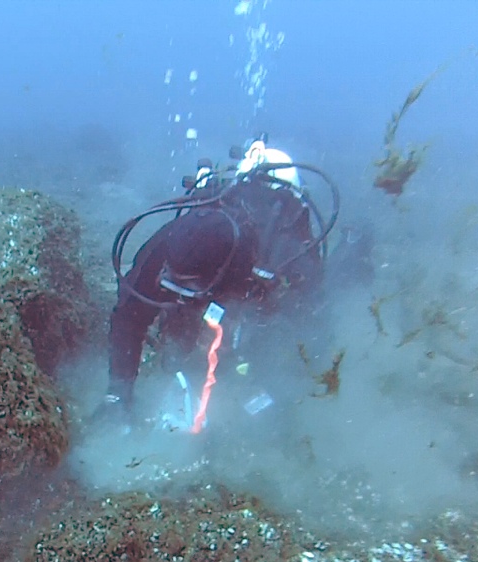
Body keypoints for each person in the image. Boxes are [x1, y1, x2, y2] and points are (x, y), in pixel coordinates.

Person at [102, 136, 339, 418]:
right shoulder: (174, 239)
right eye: (175, 284)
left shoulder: (282, 254)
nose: (181, 292)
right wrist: (118, 393)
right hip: (214, 317)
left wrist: (276, 392)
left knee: (263, 400)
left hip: (253, 327)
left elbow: (312, 328)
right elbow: (129, 315)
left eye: (191, 286)